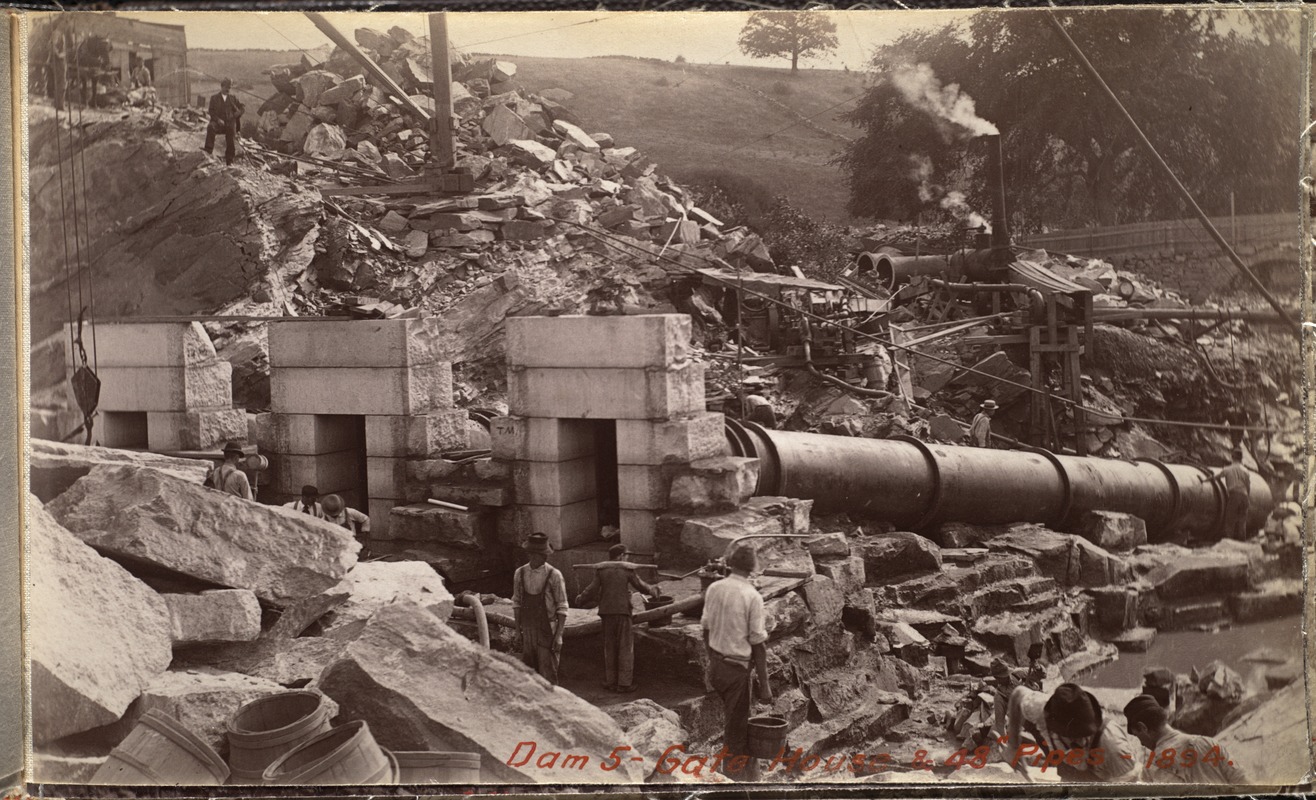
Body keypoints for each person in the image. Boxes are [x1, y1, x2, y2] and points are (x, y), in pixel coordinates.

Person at [701, 546, 773, 781]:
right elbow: (758, 645)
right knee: (736, 732)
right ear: (753, 568)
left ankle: (750, 775)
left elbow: (705, 628)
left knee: (735, 722)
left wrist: (712, 659)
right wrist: (765, 686)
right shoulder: (752, 595)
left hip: (717, 667)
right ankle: (732, 783)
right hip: (736, 671)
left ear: (730, 564)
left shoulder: (714, 587)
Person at [1005, 682, 1143, 782]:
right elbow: (1018, 694)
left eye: (1086, 733)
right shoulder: (1041, 709)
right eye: (1074, 736)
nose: (1082, 741)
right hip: (1069, 780)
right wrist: (1013, 746)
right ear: (1054, 729)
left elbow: (1131, 790)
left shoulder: (1113, 746)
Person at [574, 544, 662, 693]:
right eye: (626, 555)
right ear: (621, 556)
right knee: (625, 647)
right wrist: (653, 590)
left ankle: (610, 681)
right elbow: (640, 585)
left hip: (607, 613)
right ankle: (624, 684)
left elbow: (592, 589)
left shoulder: (601, 570)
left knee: (610, 648)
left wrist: (580, 599)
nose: (627, 558)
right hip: (622, 612)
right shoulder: (627, 569)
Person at [1123, 694, 1247, 784]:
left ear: (1142, 727)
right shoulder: (1210, 743)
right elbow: (1244, 783)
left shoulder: (1152, 768)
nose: (1142, 743)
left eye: (1137, 735)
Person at [512, 532, 568, 685]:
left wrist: (559, 635)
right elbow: (517, 603)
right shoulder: (520, 573)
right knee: (529, 671)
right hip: (528, 628)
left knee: (548, 670)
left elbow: (562, 607)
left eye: (545, 555)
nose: (544, 558)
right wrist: (518, 630)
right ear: (531, 555)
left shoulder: (554, 575)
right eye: (540, 555)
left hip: (547, 628)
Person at [1212, 449, 1251, 539]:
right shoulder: (1245, 470)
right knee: (1242, 520)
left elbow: (1216, 477)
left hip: (1234, 495)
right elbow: (1248, 485)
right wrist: (1247, 497)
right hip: (1244, 496)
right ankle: (1242, 541)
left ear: (1232, 457)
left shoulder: (1228, 469)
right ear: (1241, 459)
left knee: (1230, 519)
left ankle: (1229, 540)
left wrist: (1206, 479)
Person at [204, 78, 244, 165]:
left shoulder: (233, 98)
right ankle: (208, 151)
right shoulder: (214, 98)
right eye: (226, 87)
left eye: (229, 88)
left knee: (231, 134)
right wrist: (218, 120)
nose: (228, 90)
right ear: (222, 87)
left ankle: (230, 160)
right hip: (218, 124)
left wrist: (239, 112)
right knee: (211, 127)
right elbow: (211, 111)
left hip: (229, 124)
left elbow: (242, 107)